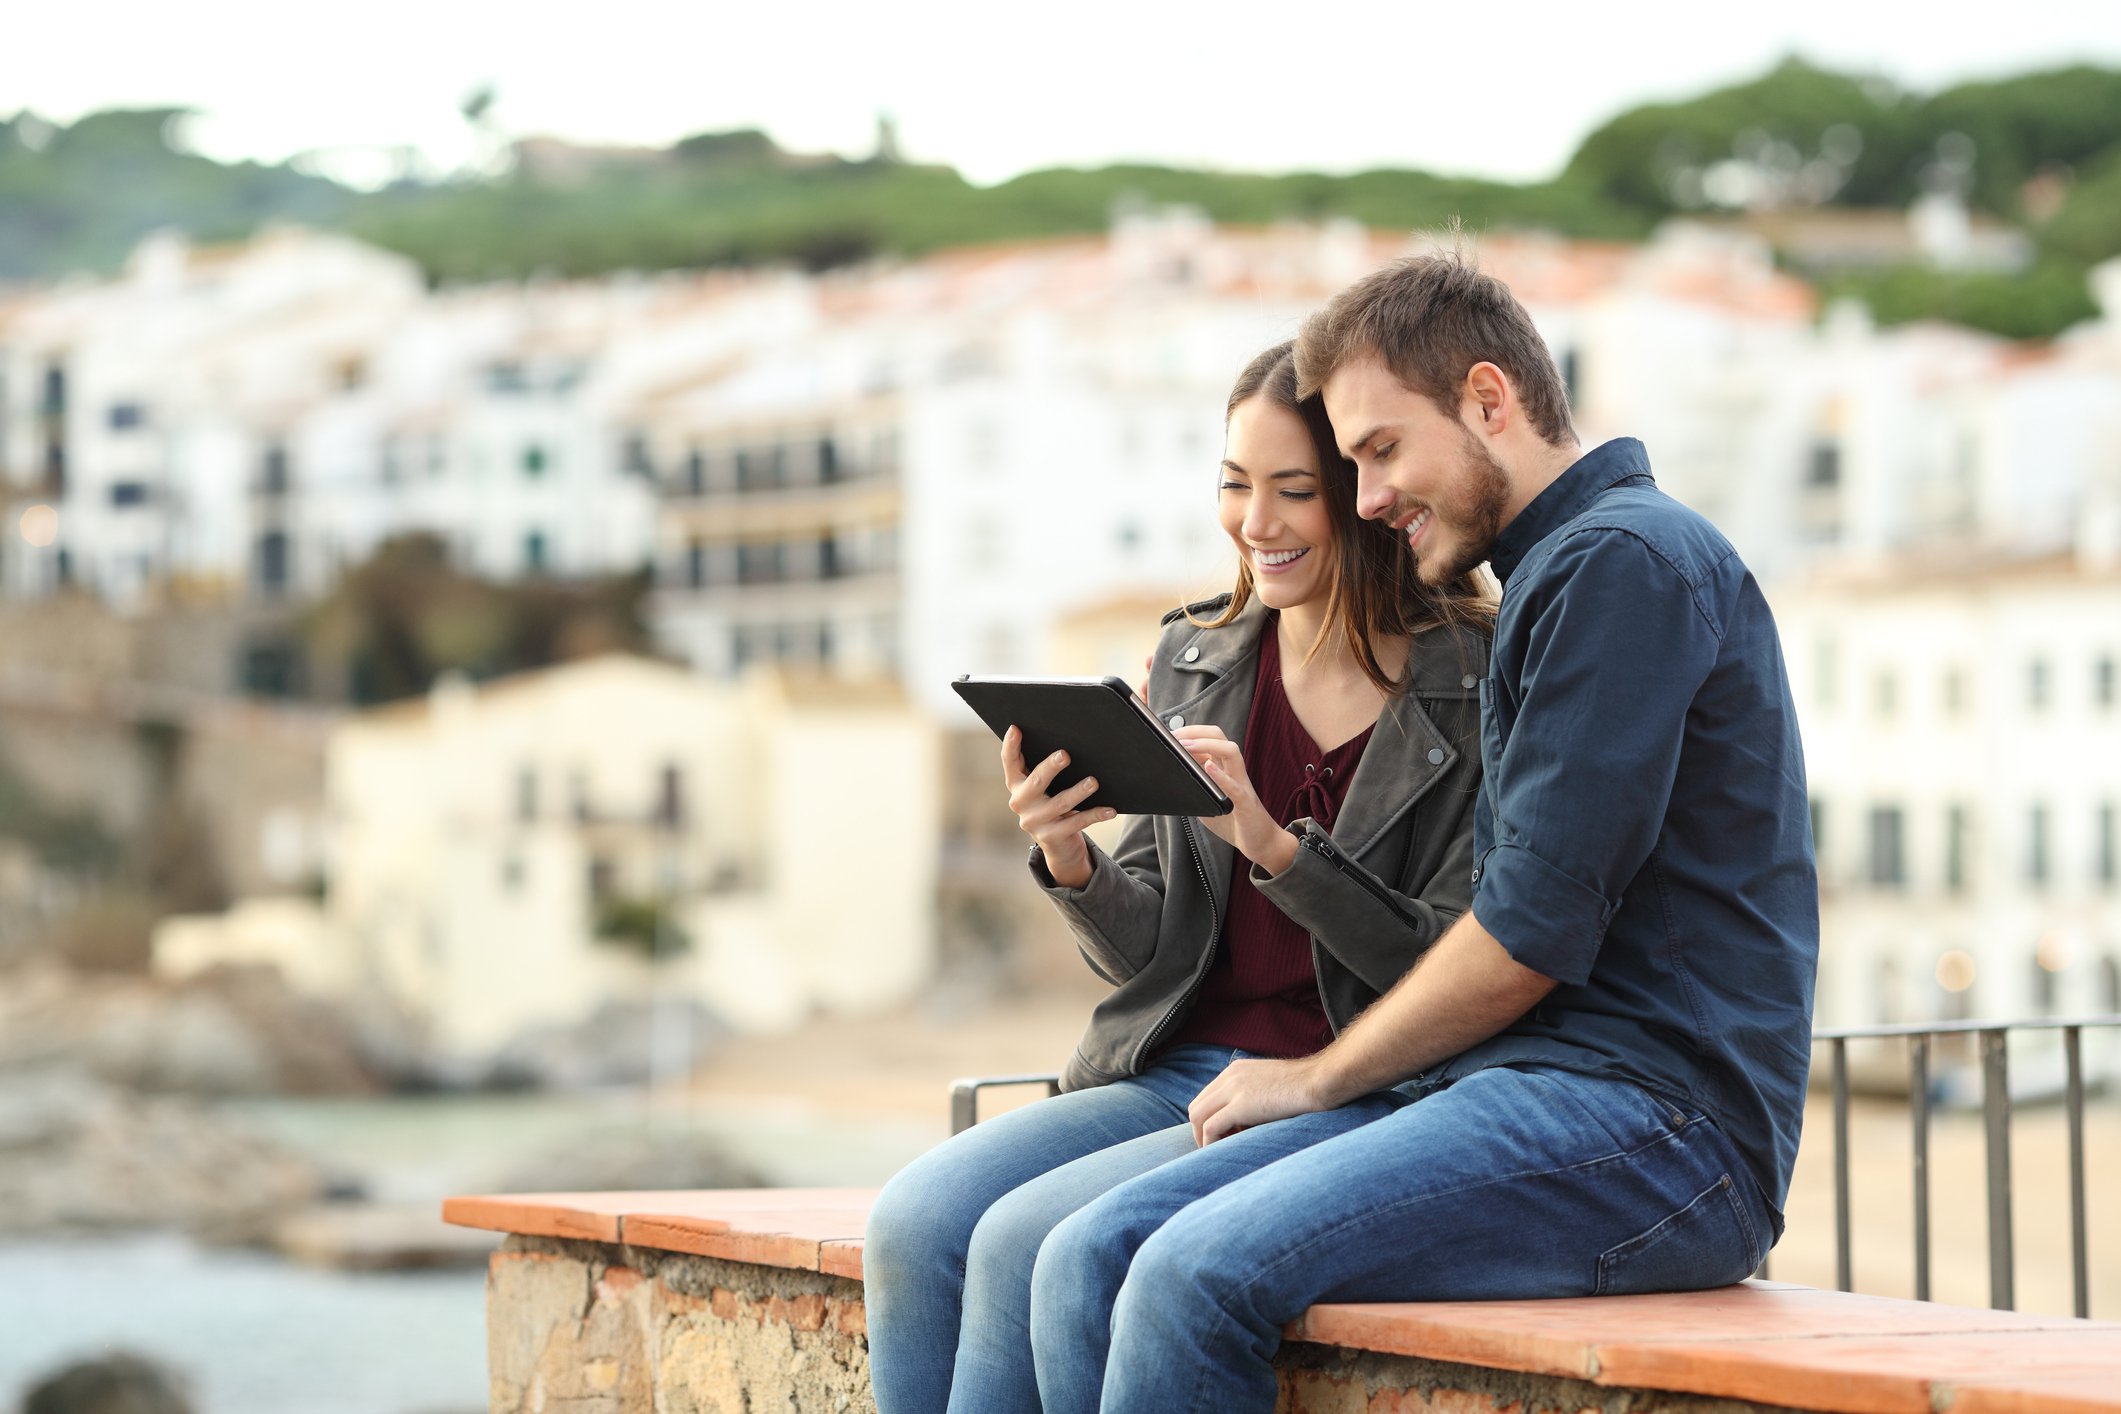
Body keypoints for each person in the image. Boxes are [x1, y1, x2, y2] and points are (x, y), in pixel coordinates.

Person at [1021, 249, 1821, 1414]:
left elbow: (1527, 933)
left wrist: (1318, 1077)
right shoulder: (1561, 572)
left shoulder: (1619, 567)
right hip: (1512, 1091)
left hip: (1661, 1130)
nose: (1369, 498)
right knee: (1093, 1250)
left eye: (1382, 451)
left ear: (1490, 401)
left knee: (1188, 1272)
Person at [862, 340, 1494, 1414]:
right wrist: (1069, 854)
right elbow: (1149, 949)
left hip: (1352, 1082)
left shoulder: (1473, 684)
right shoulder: (1200, 656)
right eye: (1235, 484)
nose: (1256, 522)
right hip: (1176, 1066)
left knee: (1030, 1240)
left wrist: (1275, 846)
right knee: (914, 1219)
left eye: (1294, 490)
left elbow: (1447, 962)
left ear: (1370, 499)